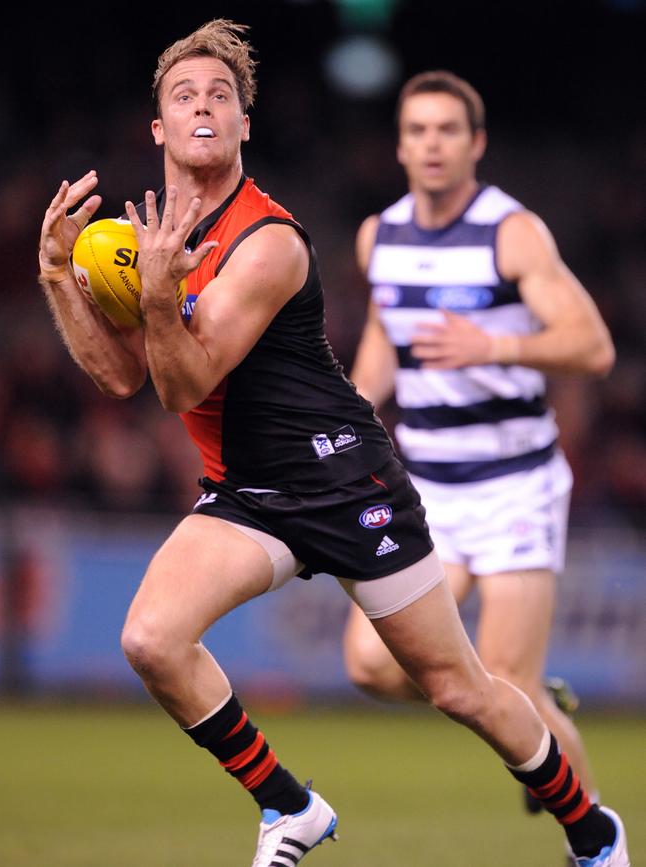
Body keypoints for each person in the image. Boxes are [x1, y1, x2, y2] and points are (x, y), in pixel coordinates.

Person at [37, 23, 629, 867]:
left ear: (245, 124)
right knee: (151, 638)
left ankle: (592, 830)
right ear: (158, 127)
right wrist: (61, 277)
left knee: (460, 687)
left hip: (348, 481)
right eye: (185, 96)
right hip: (250, 492)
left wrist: (161, 302)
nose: (204, 106)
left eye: (222, 97)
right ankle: (291, 806)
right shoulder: (152, 240)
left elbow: (181, 385)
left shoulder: (269, 242)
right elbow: (123, 377)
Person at [341, 69, 617, 826]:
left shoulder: (511, 231)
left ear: (476, 144)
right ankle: (525, 709)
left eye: (448, 131)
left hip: (514, 483)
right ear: (400, 146)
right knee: (367, 663)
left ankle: (594, 837)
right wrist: (349, 416)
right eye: (419, 131)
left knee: (509, 686)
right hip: (426, 486)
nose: (433, 144)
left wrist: (492, 344)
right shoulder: (381, 237)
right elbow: (383, 342)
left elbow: (593, 347)